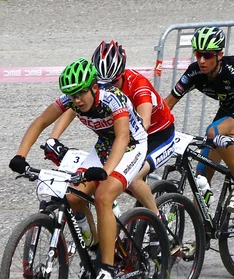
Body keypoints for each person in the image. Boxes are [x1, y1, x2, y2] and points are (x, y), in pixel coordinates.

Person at [9, 57, 148, 279]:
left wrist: (105, 172)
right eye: (72, 95)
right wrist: (20, 156)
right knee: (74, 198)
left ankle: (108, 270)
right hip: (105, 145)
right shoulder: (71, 101)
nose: (77, 100)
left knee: (104, 196)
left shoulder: (113, 99)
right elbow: (39, 122)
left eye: (81, 93)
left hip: (132, 146)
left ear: (94, 87)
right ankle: (95, 247)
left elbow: (123, 138)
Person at [44, 40, 175, 215]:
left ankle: (158, 221)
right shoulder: (97, 89)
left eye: (112, 83)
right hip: (123, 136)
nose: (106, 88)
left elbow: (144, 123)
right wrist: (54, 138)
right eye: (101, 83)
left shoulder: (138, 85)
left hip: (156, 135)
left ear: (122, 74)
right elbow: (73, 107)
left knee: (134, 179)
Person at [164, 26, 234, 213]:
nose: (202, 60)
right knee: (201, 178)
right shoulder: (194, 73)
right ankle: (203, 235)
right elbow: (167, 104)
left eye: (207, 55)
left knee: (214, 131)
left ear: (220, 54)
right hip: (227, 112)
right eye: (198, 54)